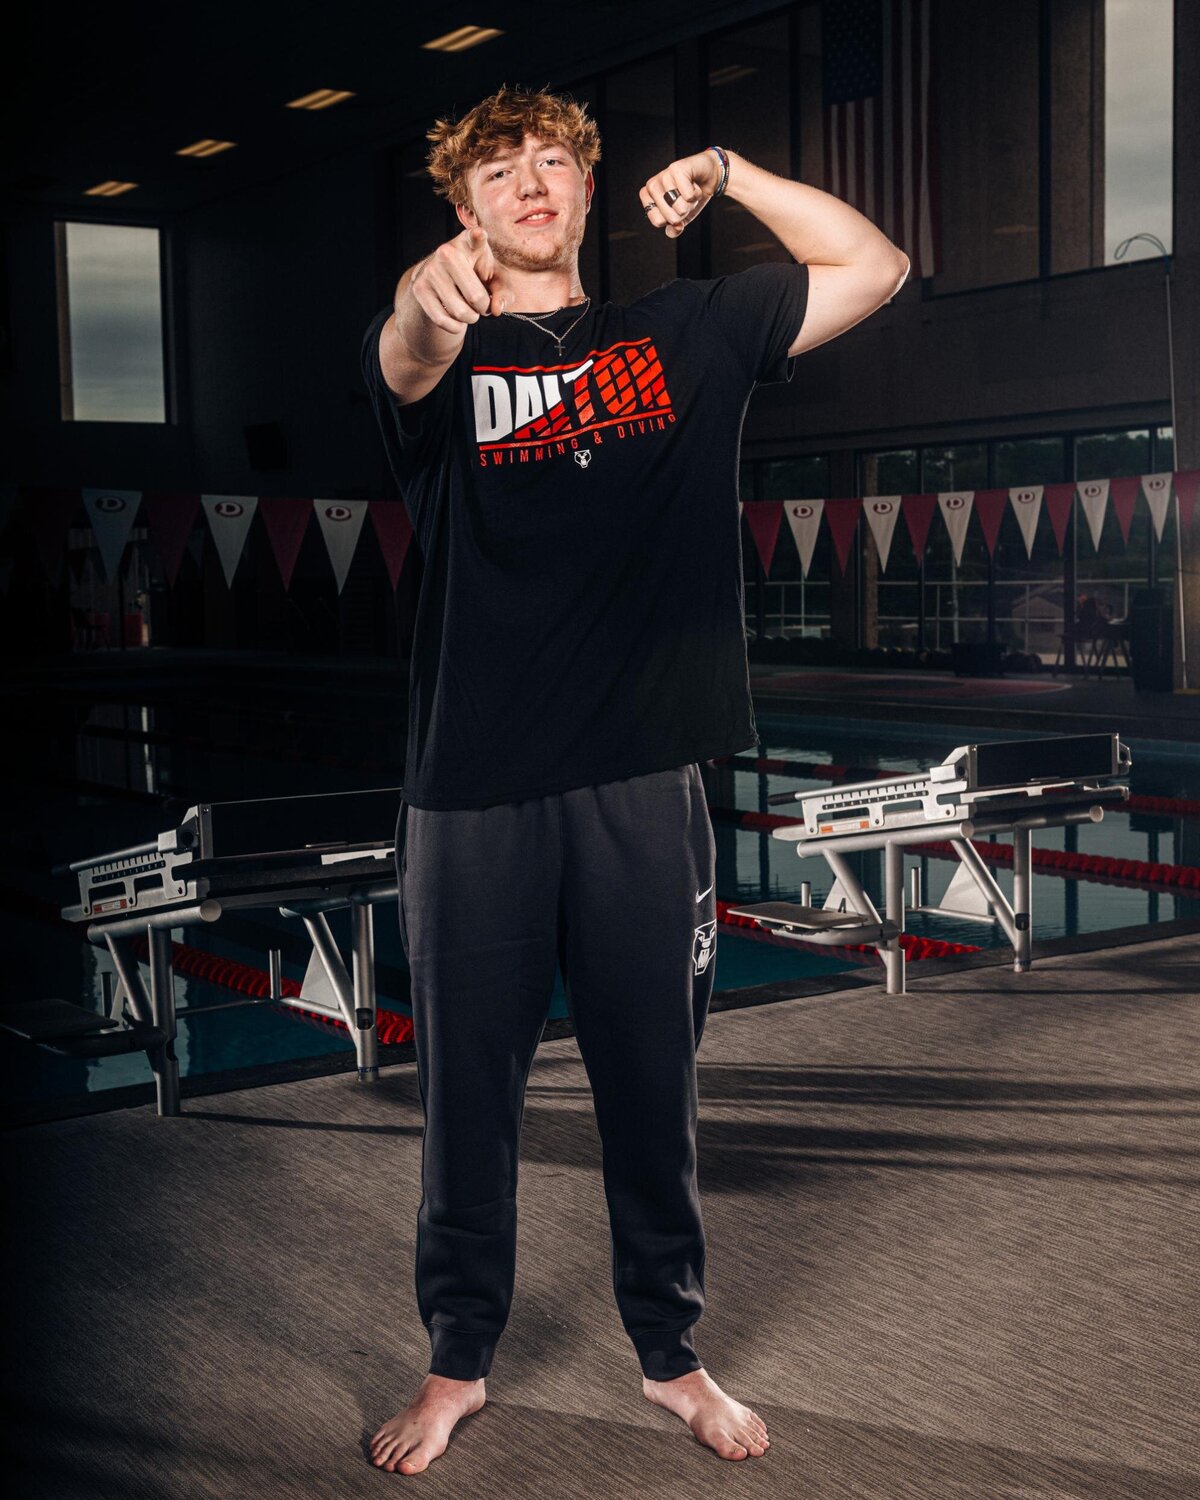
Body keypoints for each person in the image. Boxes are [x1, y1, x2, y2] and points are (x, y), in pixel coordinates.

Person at [361, 84, 909, 1476]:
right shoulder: (447, 364)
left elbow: (875, 266)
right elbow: (407, 351)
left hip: (640, 784)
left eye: (553, 162)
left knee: (651, 1086)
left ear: (591, 191)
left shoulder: (688, 331)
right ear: (466, 208)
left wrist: (733, 173)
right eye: (499, 171)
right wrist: (432, 299)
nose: (530, 184)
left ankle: (670, 1356)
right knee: (466, 1100)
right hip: (470, 791)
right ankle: (456, 1366)